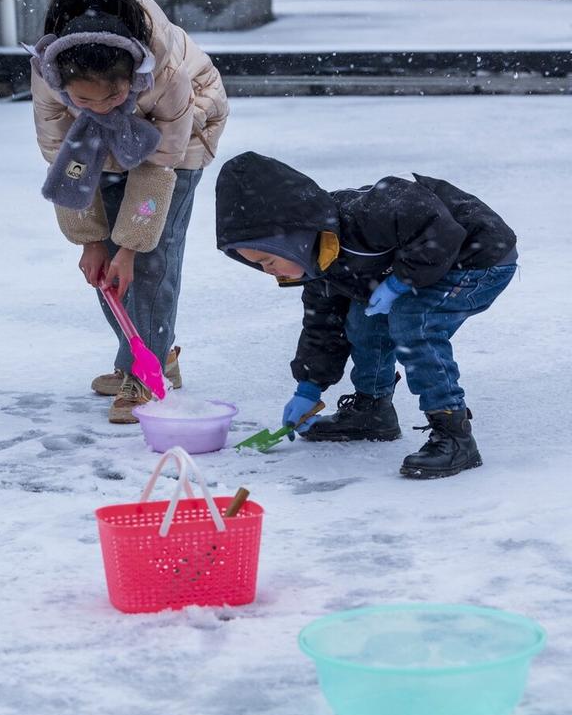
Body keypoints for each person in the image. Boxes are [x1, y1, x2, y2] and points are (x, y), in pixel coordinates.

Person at [215, 151, 518, 479]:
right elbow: (323, 326)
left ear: (292, 239)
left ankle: (454, 434)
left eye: (268, 260)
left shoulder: (368, 213)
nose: (267, 272)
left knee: (413, 321)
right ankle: (373, 410)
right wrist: (308, 388)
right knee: (362, 321)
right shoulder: (318, 265)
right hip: (415, 267)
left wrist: (401, 282)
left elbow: (438, 228)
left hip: (478, 257)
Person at [26, 0, 228, 422]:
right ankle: (144, 357)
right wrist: (90, 240)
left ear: (133, 77)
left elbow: (158, 167)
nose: (98, 106)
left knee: (150, 255)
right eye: (83, 99)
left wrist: (133, 246)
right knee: (106, 265)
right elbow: (66, 163)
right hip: (91, 146)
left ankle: (147, 370)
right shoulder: (49, 74)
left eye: (113, 95)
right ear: (63, 82)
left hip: (180, 136)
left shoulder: (167, 73)